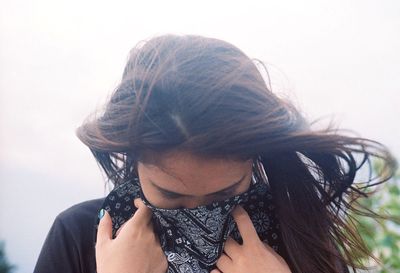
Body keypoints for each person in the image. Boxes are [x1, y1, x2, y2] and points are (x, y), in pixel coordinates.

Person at [34, 34, 397, 273]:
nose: (200, 216)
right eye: (172, 196)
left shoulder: (298, 238)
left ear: (256, 160)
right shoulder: (81, 236)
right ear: (134, 157)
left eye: (225, 194)